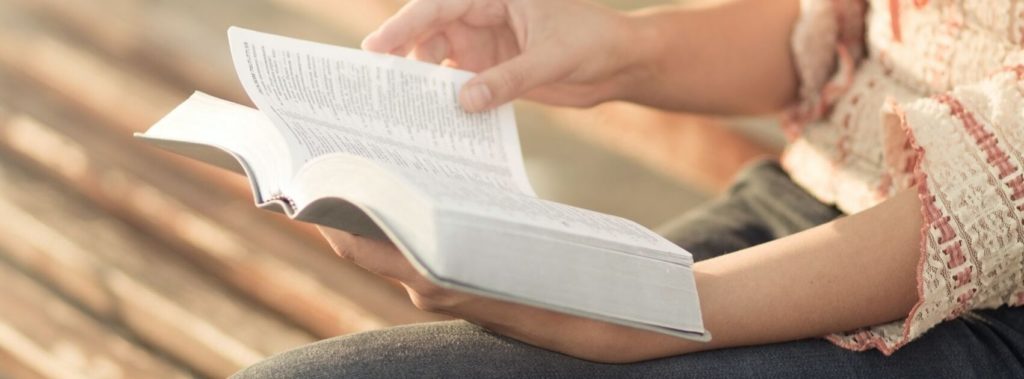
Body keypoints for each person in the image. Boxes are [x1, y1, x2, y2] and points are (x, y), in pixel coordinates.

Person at [233, 0, 1024, 377]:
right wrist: (615, 50)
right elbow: (852, 30)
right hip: (806, 203)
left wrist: (552, 294)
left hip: (977, 313)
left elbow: (986, 208)